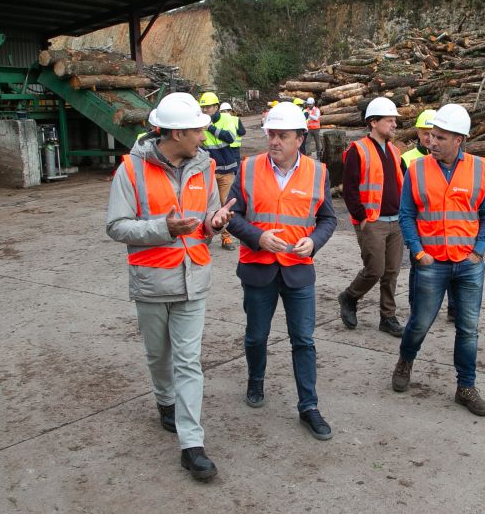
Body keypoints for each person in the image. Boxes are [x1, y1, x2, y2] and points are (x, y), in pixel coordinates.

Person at [106, 92, 237, 481]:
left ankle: (192, 445)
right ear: (176, 132)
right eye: (197, 128)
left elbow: (209, 217)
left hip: (194, 278)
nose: (204, 134)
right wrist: (162, 228)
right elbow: (116, 226)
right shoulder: (130, 170)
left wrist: (215, 223)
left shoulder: (206, 166)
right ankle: (165, 401)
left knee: (188, 361)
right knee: (157, 355)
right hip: (151, 280)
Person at [226, 101, 338, 441]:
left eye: (282, 135)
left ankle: (309, 406)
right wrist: (258, 237)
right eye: (271, 134)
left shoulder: (318, 172)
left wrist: (314, 242)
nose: (274, 141)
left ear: (300, 139)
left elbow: (328, 218)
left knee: (303, 340)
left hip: (298, 271)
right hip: (258, 270)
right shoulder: (248, 169)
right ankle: (256, 379)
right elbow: (231, 216)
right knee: (256, 336)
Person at [391, 103, 485, 416]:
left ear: (458, 140)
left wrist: (479, 250)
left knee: (468, 329)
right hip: (431, 263)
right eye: (431, 135)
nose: (431, 142)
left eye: (440, 137)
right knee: (420, 323)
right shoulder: (417, 169)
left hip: (468, 264)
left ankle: (466, 387)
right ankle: (405, 360)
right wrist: (418, 251)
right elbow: (407, 215)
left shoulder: (480, 168)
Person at [338, 96, 405, 337]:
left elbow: (403, 185)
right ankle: (350, 296)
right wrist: (362, 217)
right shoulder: (359, 149)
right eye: (390, 120)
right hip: (372, 221)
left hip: (395, 221)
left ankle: (387, 317)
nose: (394, 125)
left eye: (394, 120)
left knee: (391, 272)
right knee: (375, 269)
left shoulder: (396, 152)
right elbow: (350, 188)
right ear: (373, 122)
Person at [401, 109, 457, 323]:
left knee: (453, 268)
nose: (429, 138)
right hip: (420, 228)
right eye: (426, 133)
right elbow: (406, 198)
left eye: (433, 133)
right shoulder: (408, 160)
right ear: (418, 132)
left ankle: (453, 308)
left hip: (447, 228)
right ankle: (416, 307)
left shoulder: (450, 161)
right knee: (419, 269)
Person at [198, 92, 244, 251]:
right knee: (207, 205)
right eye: (203, 107)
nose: (205, 110)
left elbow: (230, 137)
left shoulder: (226, 119)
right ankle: (208, 233)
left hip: (226, 171)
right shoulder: (198, 121)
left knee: (225, 205)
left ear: (216, 107)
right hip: (208, 171)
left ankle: (226, 237)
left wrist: (210, 127)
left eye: (208, 107)